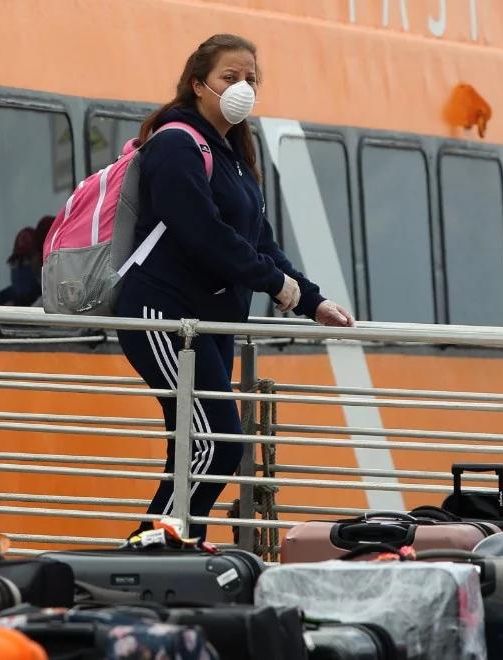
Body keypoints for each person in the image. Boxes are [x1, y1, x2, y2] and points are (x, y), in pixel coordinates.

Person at [114, 34, 355, 541]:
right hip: (164, 315)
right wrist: (283, 290)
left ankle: (173, 547)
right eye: (230, 77)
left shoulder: (232, 155)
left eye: (250, 78)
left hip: (209, 320)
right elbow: (205, 237)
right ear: (198, 84)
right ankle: (150, 551)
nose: (241, 87)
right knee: (216, 441)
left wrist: (311, 300)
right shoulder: (176, 143)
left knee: (196, 445)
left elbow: (259, 241)